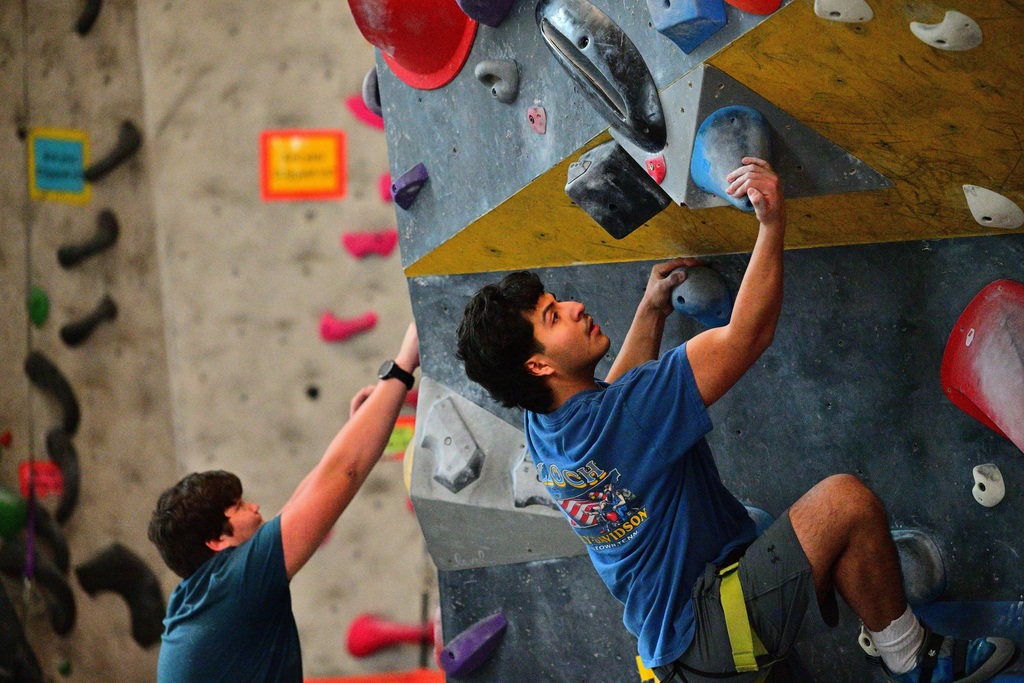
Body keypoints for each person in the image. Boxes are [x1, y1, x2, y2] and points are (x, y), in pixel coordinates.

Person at [455, 158, 1016, 683]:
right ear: (538, 364)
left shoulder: (546, 427)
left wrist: (651, 311)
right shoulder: (629, 415)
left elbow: (617, 403)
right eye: (555, 317)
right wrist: (771, 224)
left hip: (675, 647)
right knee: (843, 505)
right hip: (708, 636)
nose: (574, 307)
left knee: (752, 521)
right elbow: (747, 336)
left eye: (559, 301)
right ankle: (914, 661)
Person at [148, 323, 419, 682]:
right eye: (240, 506)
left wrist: (359, 428)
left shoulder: (199, 595)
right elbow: (343, 474)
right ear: (216, 540)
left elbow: (302, 502)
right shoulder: (236, 584)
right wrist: (402, 365)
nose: (256, 508)